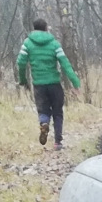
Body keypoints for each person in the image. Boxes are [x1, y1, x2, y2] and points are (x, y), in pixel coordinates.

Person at [16, 19, 79, 151]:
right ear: (46, 28)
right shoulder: (54, 44)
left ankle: (44, 123)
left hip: (39, 85)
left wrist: (23, 80)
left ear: (34, 29)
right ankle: (57, 142)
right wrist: (75, 82)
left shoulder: (27, 43)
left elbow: (21, 63)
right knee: (57, 113)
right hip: (54, 84)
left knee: (43, 110)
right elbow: (65, 63)